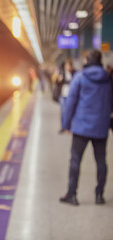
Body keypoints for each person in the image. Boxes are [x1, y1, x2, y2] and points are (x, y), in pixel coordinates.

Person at [59, 49, 112, 206]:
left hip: (81, 127)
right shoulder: (108, 78)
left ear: (87, 60)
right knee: (101, 161)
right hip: (101, 126)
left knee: (75, 161)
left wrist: (66, 124)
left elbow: (71, 102)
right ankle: (99, 195)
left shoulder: (80, 77)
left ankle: (72, 194)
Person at [57, 59, 76, 133]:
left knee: (70, 111)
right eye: (66, 65)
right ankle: (63, 127)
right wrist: (59, 80)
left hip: (71, 95)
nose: (67, 67)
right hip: (63, 94)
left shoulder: (74, 73)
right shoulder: (62, 73)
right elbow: (57, 83)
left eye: (68, 65)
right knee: (63, 111)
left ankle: (69, 127)